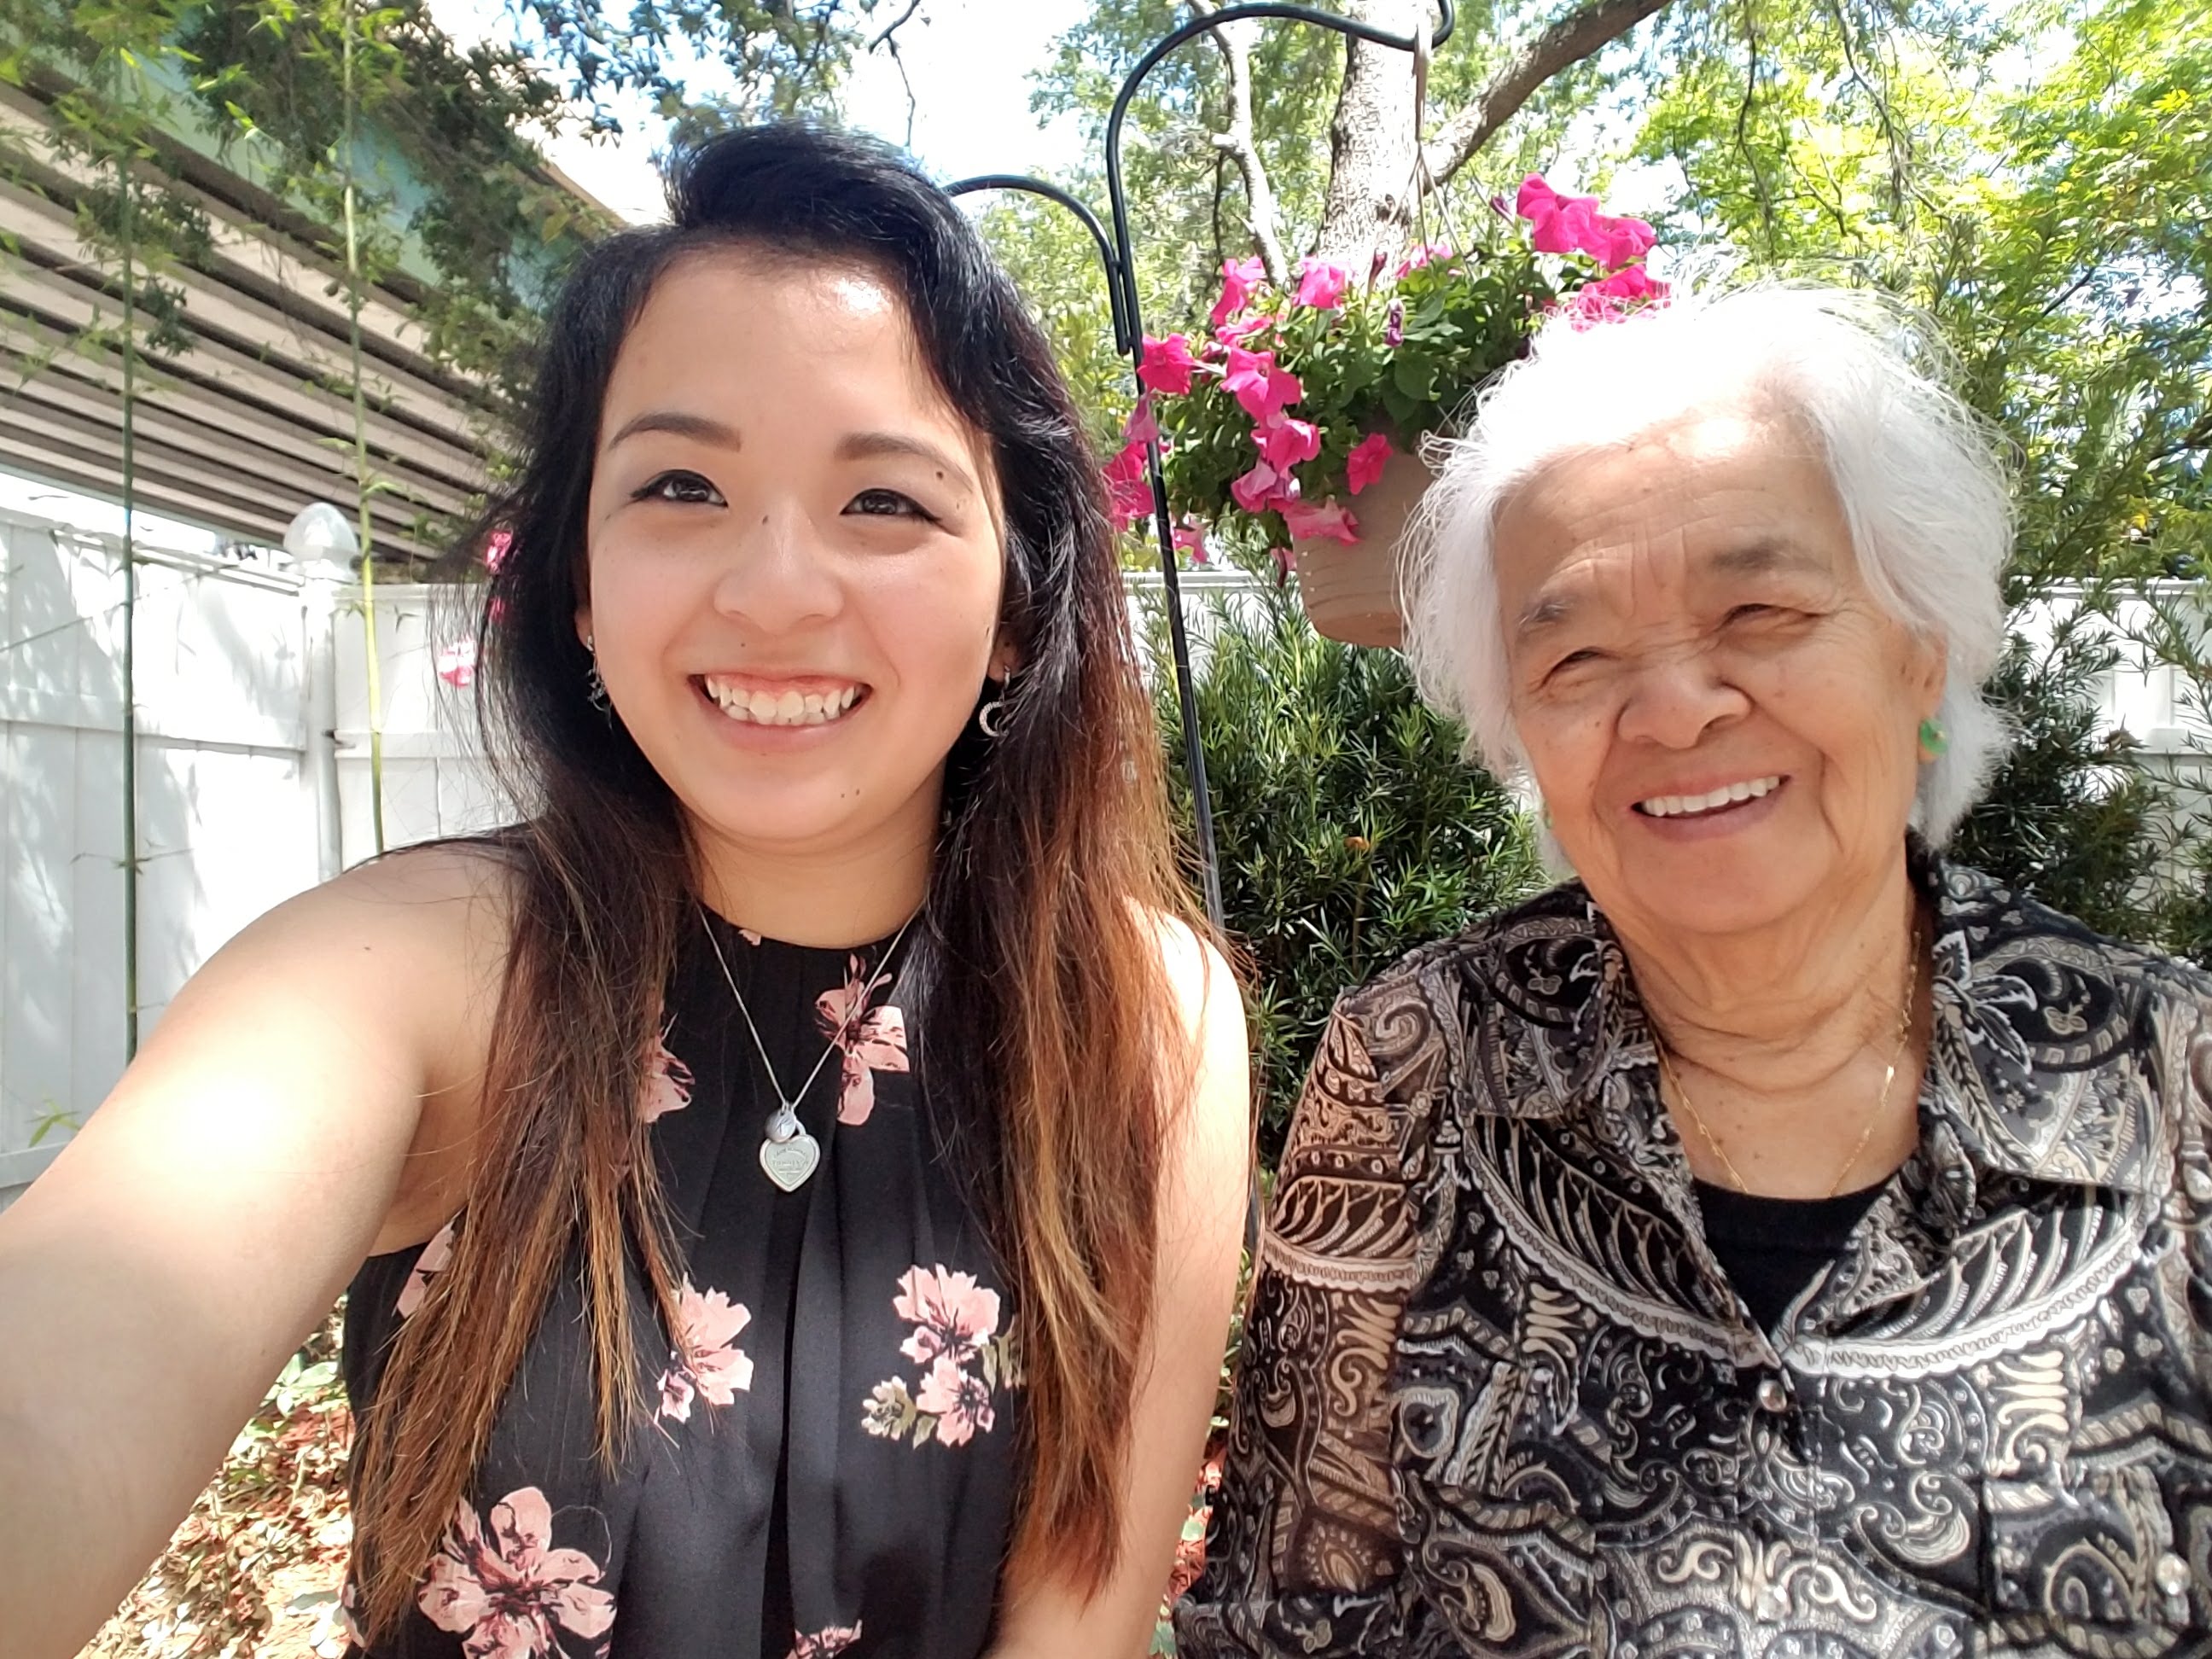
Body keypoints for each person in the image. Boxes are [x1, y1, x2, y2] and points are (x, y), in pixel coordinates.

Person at [0, 125, 1249, 1659]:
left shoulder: (1144, 1020)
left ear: (1017, 607)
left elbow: (1080, 1619)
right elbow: (60, 1378)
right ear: (582, 591)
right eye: (680, 485)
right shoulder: (423, 970)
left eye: (885, 503)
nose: (775, 590)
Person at [1177, 284, 2212, 1656]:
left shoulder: (2169, 1080)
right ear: (1520, 731)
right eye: (1577, 654)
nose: (1673, 709)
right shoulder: (1417, 1064)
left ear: (1920, 652)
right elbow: (1287, 1618)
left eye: (1761, 611)